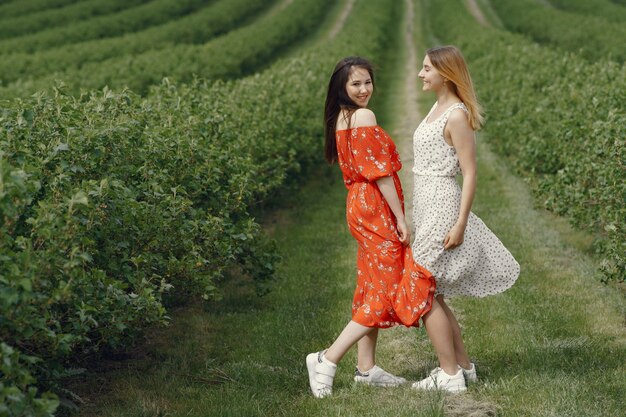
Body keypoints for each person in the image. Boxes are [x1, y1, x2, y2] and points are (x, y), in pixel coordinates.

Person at [306, 56, 468, 399]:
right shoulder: (363, 116)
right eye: (356, 84)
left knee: (371, 281)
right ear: (342, 87)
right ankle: (327, 358)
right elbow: (379, 173)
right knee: (386, 289)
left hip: (357, 204)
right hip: (374, 207)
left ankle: (366, 368)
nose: (364, 90)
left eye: (368, 82)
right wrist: (398, 216)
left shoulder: (342, 117)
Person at [408, 45, 520, 389]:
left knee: (422, 291)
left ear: (445, 73)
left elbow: (470, 173)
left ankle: (450, 375)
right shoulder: (437, 107)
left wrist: (459, 223)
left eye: (427, 68)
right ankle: (463, 366)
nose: (420, 74)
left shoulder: (455, 114)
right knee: (434, 293)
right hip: (427, 205)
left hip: (443, 206)